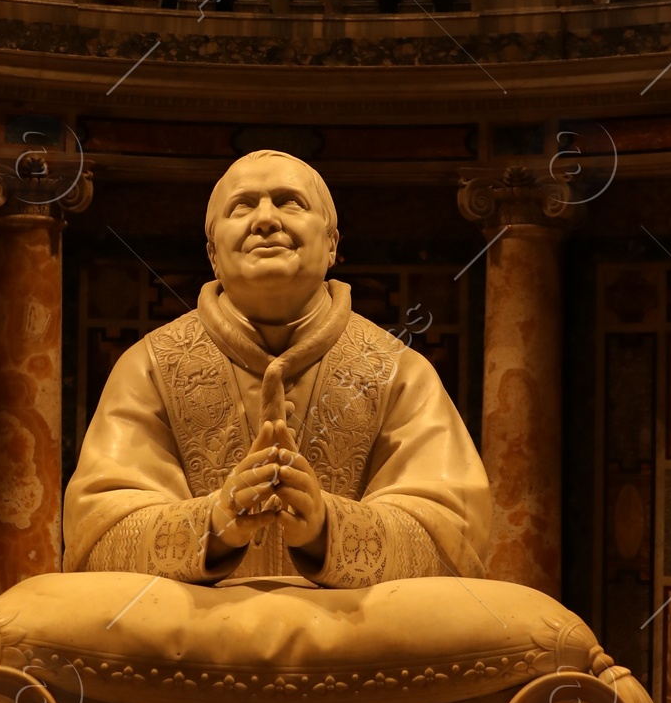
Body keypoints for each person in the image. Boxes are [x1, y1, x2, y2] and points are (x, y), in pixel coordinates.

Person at [62, 150, 488, 584]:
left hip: (348, 635)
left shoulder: (397, 371)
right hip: (194, 639)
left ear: (332, 243)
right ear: (212, 253)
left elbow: (457, 538)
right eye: (242, 205)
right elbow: (93, 534)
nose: (265, 220)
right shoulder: (149, 366)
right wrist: (214, 524)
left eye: (289, 202)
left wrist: (327, 529)